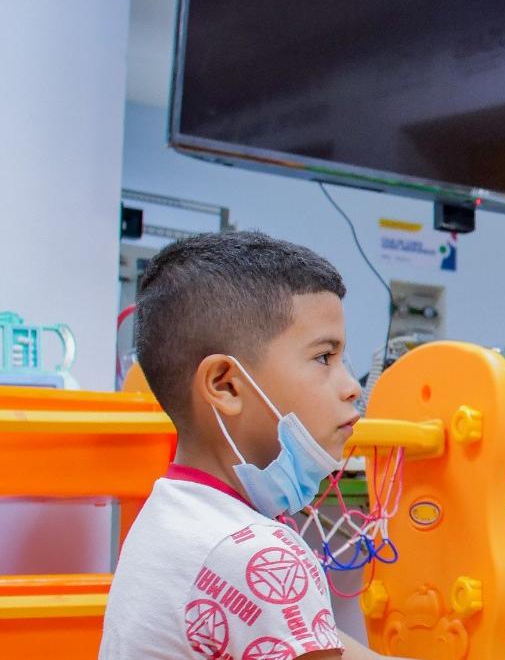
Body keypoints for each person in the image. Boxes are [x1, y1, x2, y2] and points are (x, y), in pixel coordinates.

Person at [101, 232, 406, 660]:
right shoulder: (256, 554)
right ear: (225, 385)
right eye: (324, 358)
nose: (351, 387)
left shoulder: (173, 513)